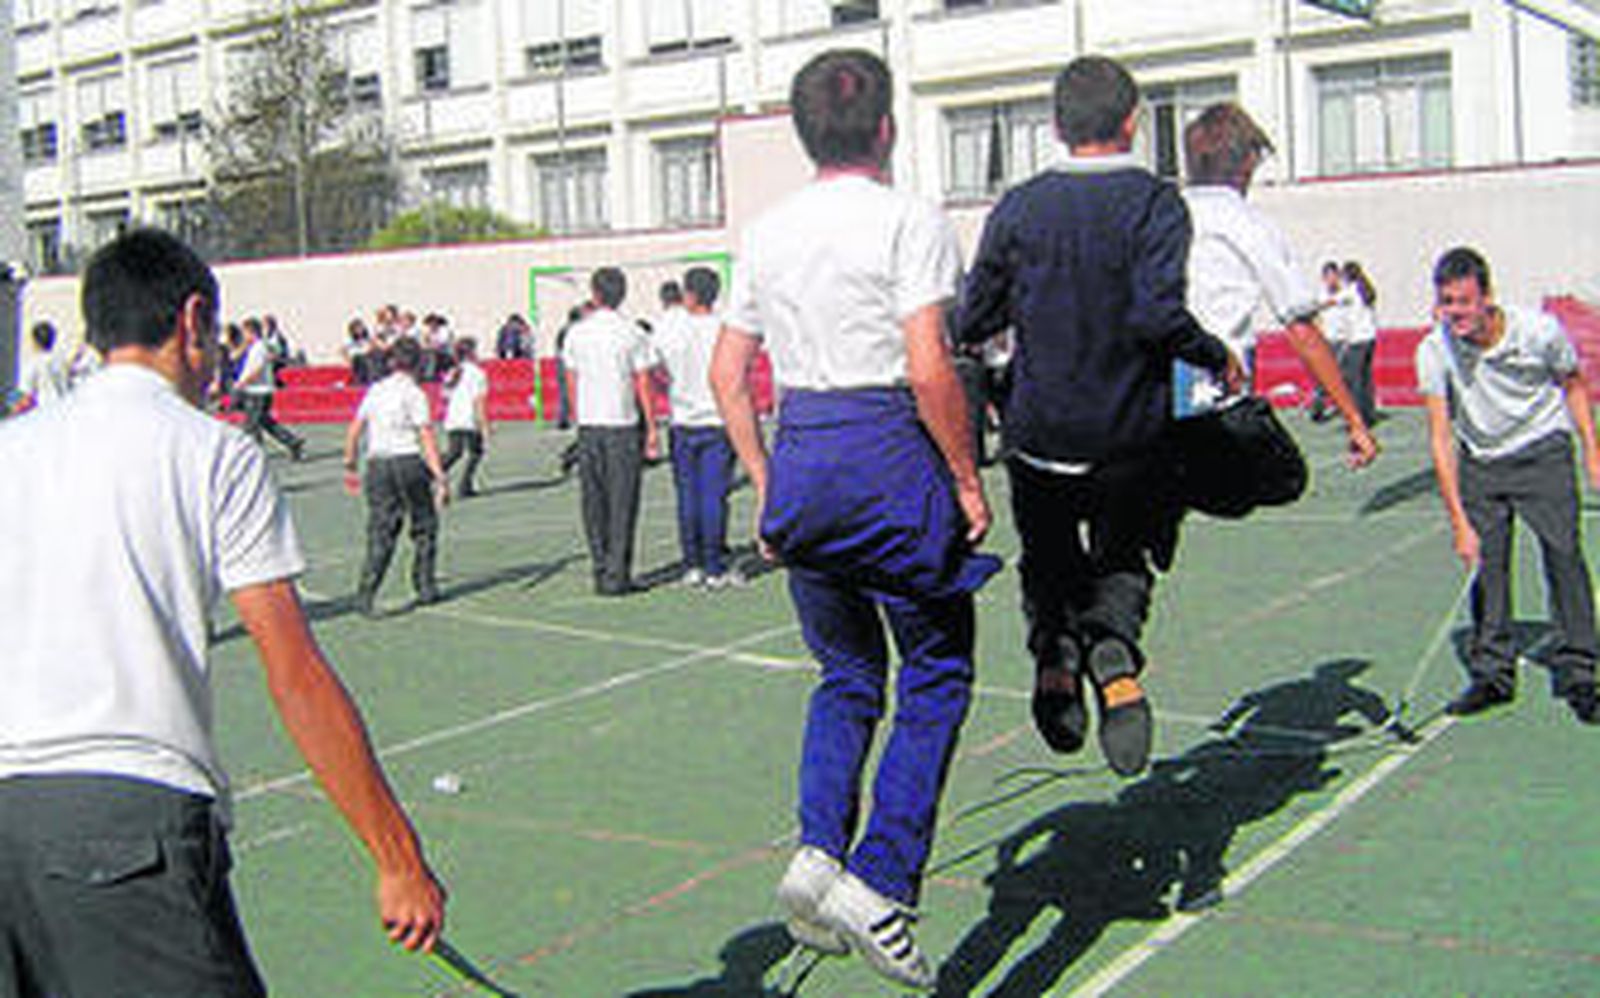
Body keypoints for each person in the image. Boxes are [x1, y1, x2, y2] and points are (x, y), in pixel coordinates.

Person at [0, 229, 446, 996]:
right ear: (193, 321)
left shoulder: (12, 447)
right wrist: (397, 857)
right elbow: (295, 675)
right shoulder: (214, 452)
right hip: (127, 822)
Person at [713, 49, 998, 991]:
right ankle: (881, 877)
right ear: (886, 129)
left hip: (805, 447)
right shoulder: (910, 219)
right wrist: (964, 478)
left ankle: (816, 849)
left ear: (806, 135)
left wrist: (767, 482)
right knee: (938, 669)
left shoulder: (767, 231)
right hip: (885, 447)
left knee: (844, 673)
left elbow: (726, 373)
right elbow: (929, 365)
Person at [959, 55, 1240, 780]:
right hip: (1127, 432)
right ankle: (1113, 659)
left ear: (1056, 126)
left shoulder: (1019, 207)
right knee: (1121, 557)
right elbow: (1157, 315)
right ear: (1133, 122)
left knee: (1048, 560)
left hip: (1040, 429)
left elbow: (975, 316)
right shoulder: (1155, 202)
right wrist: (1213, 353)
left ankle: (1056, 659)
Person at [1416, 246, 1599, 724]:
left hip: (1542, 451)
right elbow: (1440, 437)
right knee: (1487, 569)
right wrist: (1459, 521)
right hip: (1482, 461)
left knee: (1563, 557)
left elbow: (1573, 385)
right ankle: (1492, 674)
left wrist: (1592, 452)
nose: (1454, 312)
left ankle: (1580, 672)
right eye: (1446, 302)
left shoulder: (1538, 332)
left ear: (1487, 297)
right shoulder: (1434, 350)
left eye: (1463, 301)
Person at [1180, 103, 1378, 466]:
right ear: (1247, 162)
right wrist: (1354, 419)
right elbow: (1300, 326)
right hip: (1218, 391)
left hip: (1152, 393)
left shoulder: (1162, 215)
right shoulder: (1247, 223)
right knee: (1284, 475)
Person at [562, 267, 660, 596]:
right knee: (623, 502)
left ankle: (600, 568)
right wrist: (652, 428)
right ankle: (619, 572)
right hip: (622, 425)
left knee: (593, 502)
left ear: (594, 294)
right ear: (623, 294)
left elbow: (572, 379)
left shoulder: (576, 333)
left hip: (590, 425)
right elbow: (643, 382)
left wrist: (579, 416)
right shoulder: (633, 333)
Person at [344, 336, 450, 616]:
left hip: (378, 464)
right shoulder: (415, 394)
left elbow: (355, 429)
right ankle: (424, 585)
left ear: (392, 362)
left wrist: (350, 463)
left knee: (381, 530)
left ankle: (366, 593)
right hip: (407, 460)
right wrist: (440, 476)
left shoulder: (376, 390)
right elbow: (425, 435)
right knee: (424, 525)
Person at [656, 267, 738, 588]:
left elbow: (655, 368)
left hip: (683, 420)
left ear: (688, 294)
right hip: (718, 420)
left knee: (687, 496)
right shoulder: (724, 328)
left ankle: (692, 564)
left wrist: (672, 387)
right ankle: (714, 565)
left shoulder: (670, 328)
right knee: (714, 496)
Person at [234, 315, 306, 460]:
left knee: (252, 425)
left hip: (259, 391)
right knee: (265, 422)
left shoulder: (260, 348)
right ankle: (292, 441)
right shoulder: (254, 347)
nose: (244, 336)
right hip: (255, 390)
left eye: (245, 333)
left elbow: (257, 369)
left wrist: (242, 383)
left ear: (251, 332)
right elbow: (234, 357)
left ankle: (256, 453)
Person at [442, 336, 490, 498]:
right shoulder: (478, 374)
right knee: (475, 452)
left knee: (455, 452)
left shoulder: (453, 372)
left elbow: (445, 395)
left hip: (453, 417)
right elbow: (478, 401)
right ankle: (464, 484)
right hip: (469, 418)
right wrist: (484, 424)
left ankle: (434, 474)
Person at [1308, 261, 1349, 422]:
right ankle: (1317, 407)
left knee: (1342, 376)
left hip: (1342, 339)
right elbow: (1314, 315)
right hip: (1326, 340)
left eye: (1334, 276)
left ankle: (1342, 407)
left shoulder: (1346, 294)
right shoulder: (1320, 295)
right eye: (1328, 276)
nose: (1332, 280)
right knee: (1323, 376)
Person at [1341, 260, 1380, 426]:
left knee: (1354, 379)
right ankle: (1369, 412)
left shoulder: (1351, 291)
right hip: (1370, 338)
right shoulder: (1365, 290)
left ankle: (1359, 415)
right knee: (1366, 378)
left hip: (1358, 340)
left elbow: (1332, 301)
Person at [11, 321, 71, 413]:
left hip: (42, 411)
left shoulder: (33, 363)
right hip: (62, 409)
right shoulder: (60, 360)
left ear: (35, 342)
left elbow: (24, 391)